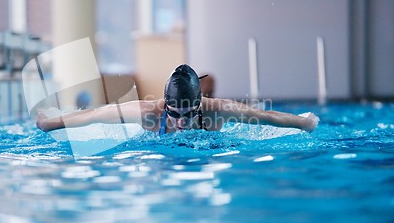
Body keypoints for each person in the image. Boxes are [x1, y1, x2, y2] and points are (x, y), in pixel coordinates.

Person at [36, 64, 319, 134]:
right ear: (165, 106)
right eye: (175, 114)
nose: (181, 121)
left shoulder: (216, 111)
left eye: (188, 114)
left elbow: (265, 116)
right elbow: (94, 114)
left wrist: (304, 123)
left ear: (200, 104)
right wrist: (52, 123)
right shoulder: (149, 113)